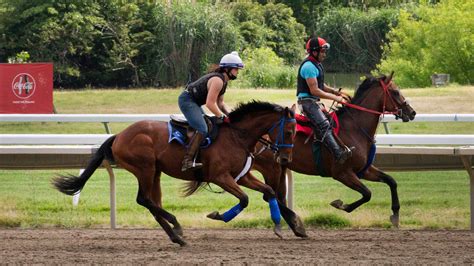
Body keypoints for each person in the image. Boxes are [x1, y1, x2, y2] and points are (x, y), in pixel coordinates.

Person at [178, 51, 244, 171]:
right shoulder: (218, 81)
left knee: (209, 124)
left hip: (194, 102)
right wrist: (222, 117)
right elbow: (210, 103)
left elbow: (220, 103)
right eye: (236, 69)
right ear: (228, 69)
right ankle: (187, 161)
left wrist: (232, 116)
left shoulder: (224, 82)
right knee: (202, 128)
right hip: (187, 101)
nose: (237, 72)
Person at [296, 37, 353, 164]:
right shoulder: (309, 66)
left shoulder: (316, 64)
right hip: (307, 102)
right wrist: (336, 98)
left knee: (331, 121)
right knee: (324, 125)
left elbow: (321, 85)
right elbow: (315, 90)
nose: (324, 54)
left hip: (313, 101)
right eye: (322, 51)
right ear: (314, 52)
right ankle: (338, 154)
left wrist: (335, 92)